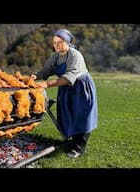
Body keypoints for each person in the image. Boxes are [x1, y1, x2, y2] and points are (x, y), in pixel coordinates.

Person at [31, 28, 98, 158]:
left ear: (68, 42)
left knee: (81, 116)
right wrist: (36, 75)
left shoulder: (75, 55)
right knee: (68, 114)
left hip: (81, 88)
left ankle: (79, 147)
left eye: (60, 42)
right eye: (55, 43)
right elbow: (46, 71)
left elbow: (69, 77)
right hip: (66, 89)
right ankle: (72, 140)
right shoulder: (55, 57)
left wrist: (47, 84)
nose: (57, 45)